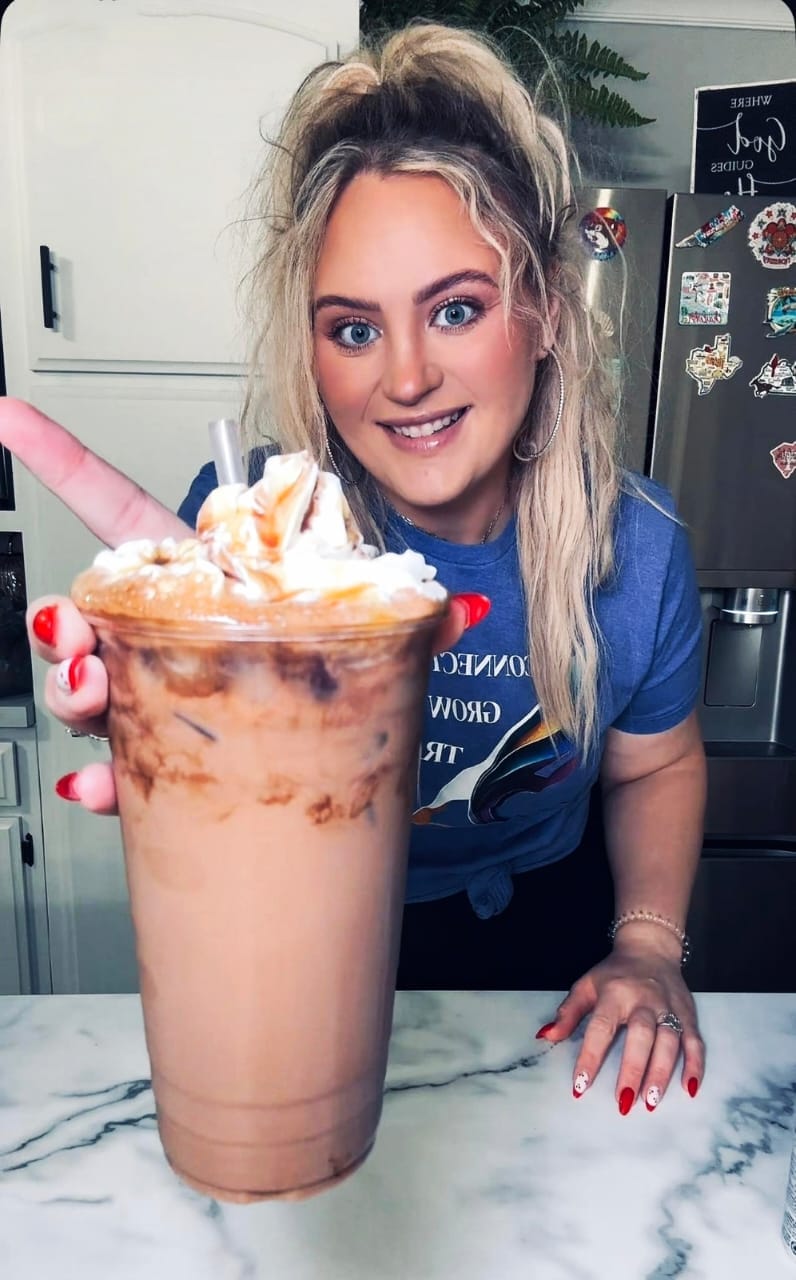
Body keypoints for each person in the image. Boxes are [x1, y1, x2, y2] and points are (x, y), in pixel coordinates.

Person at [2, 22, 706, 1116]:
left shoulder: (639, 546)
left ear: (545, 314)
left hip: (549, 953)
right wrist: (172, 722)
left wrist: (648, 944)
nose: (407, 378)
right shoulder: (247, 543)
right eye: (354, 329)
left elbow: (656, 766)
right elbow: (208, 777)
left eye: (456, 309)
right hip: (307, 942)